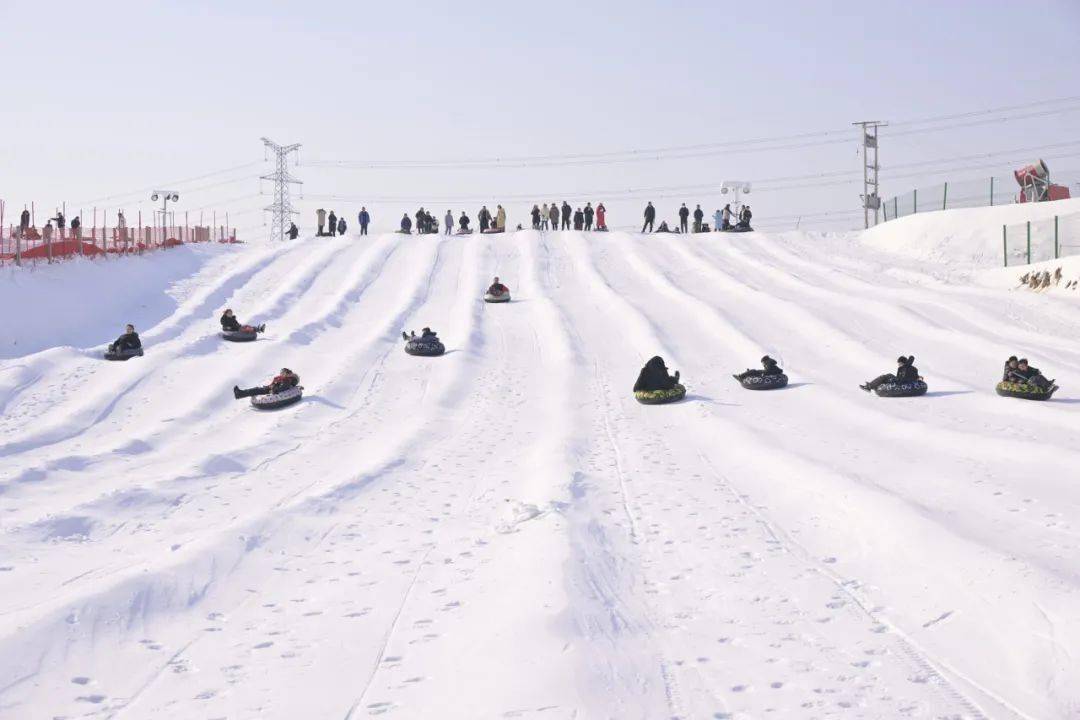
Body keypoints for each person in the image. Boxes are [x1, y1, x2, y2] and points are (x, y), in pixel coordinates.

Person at [233, 368, 300, 399]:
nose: (281, 374)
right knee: (256, 389)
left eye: (283, 373)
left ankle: (240, 394)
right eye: (281, 372)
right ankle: (240, 393)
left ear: (287, 374)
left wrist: (273, 389)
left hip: (271, 390)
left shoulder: (287, 380)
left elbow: (282, 388)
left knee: (256, 390)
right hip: (270, 388)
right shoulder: (282, 378)